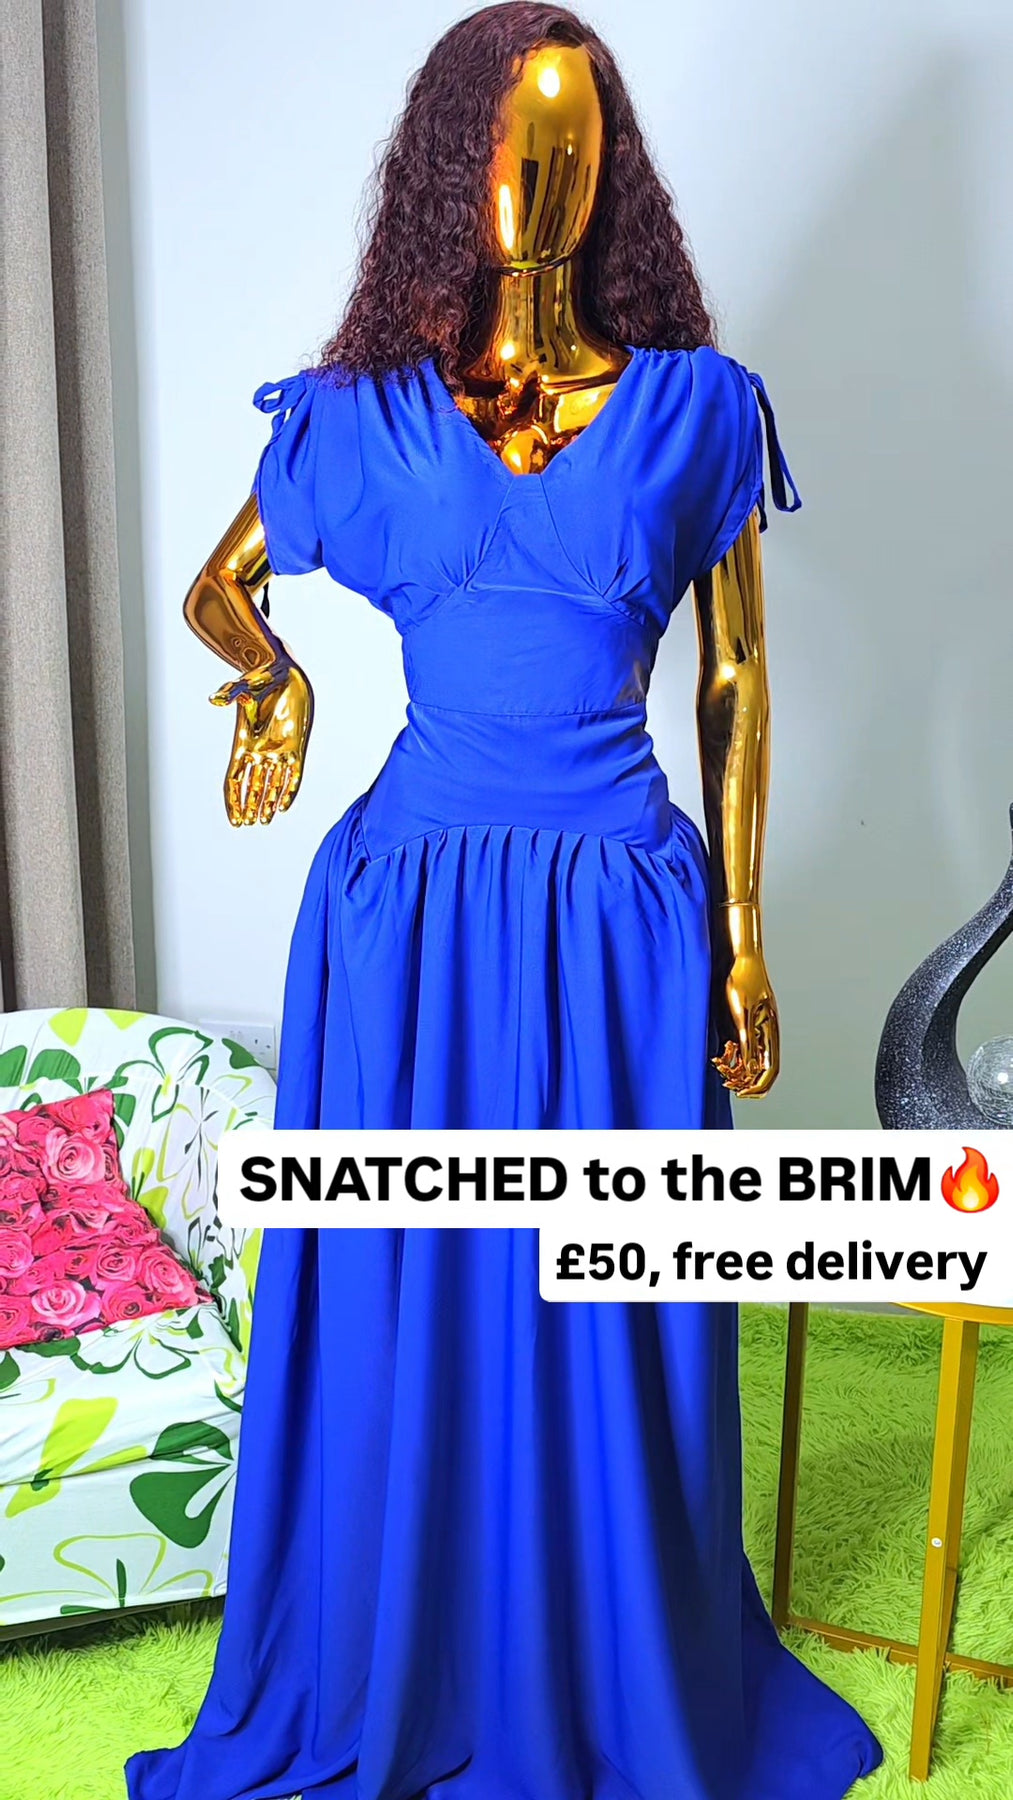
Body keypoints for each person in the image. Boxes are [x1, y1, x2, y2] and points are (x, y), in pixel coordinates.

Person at [126, 7, 883, 1797]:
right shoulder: (354, 417)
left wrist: (743, 940)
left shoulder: (697, 409)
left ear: (614, 173)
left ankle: (610, 1652)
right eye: (511, 145)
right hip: (405, 920)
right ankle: (407, 1644)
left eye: (575, 147)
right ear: (447, 167)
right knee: (407, 1283)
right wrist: (272, 678)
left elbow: (734, 681)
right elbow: (222, 588)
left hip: (621, 912)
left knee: (618, 1297)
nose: (541, 182)